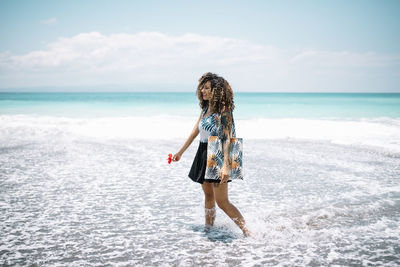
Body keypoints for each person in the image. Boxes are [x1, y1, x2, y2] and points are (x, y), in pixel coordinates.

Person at [172, 72, 251, 237]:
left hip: (218, 152)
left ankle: (248, 232)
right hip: (203, 152)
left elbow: (228, 137)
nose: (203, 90)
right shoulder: (205, 108)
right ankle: (209, 229)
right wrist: (180, 152)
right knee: (208, 194)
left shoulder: (225, 110)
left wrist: (225, 166)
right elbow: (195, 132)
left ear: (216, 90)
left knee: (222, 201)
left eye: (207, 88)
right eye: (202, 87)